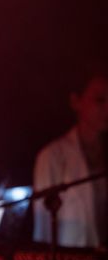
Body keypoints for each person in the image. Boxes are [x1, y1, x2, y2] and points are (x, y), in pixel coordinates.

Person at [33, 71, 108, 248]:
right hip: (72, 259)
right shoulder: (53, 156)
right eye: (100, 100)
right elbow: (43, 226)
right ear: (76, 101)